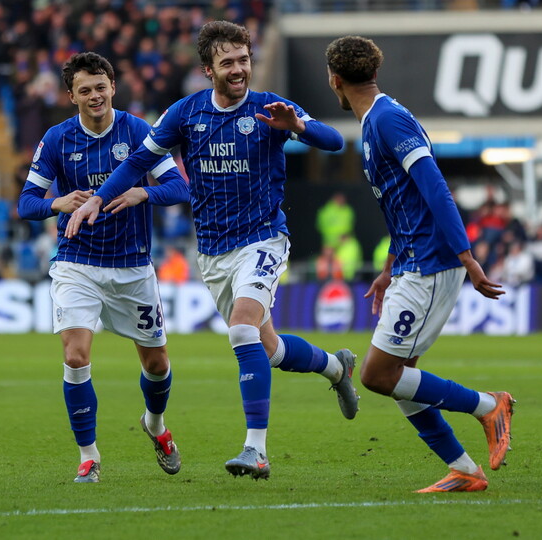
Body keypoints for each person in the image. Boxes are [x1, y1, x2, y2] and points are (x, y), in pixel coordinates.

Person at [66, 21, 359, 481]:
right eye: (228, 62)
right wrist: (101, 198)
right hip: (215, 252)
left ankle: (255, 451)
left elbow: (337, 140)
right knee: (270, 348)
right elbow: (139, 162)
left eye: (244, 60)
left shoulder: (269, 107)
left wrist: (297, 125)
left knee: (242, 330)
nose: (239, 69)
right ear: (208, 69)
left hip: (263, 238)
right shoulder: (185, 114)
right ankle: (336, 368)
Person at [324, 35, 513, 493]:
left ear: (335, 80)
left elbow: (435, 188)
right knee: (399, 377)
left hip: (430, 264)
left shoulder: (388, 120)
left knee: (376, 375)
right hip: (410, 261)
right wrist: (388, 267)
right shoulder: (374, 123)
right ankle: (465, 471)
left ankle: (488, 405)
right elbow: (402, 206)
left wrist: (467, 258)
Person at [18, 52, 190, 484]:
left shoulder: (139, 132)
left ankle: (155, 424)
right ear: (71, 95)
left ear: (113, 86)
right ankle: (88, 456)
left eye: (101, 87)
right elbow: (25, 203)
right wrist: (56, 202)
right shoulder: (57, 139)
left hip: (132, 267)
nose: (94, 96)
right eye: (85, 90)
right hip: (77, 263)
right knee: (75, 355)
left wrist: (141, 195)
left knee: (156, 365)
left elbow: (178, 186)